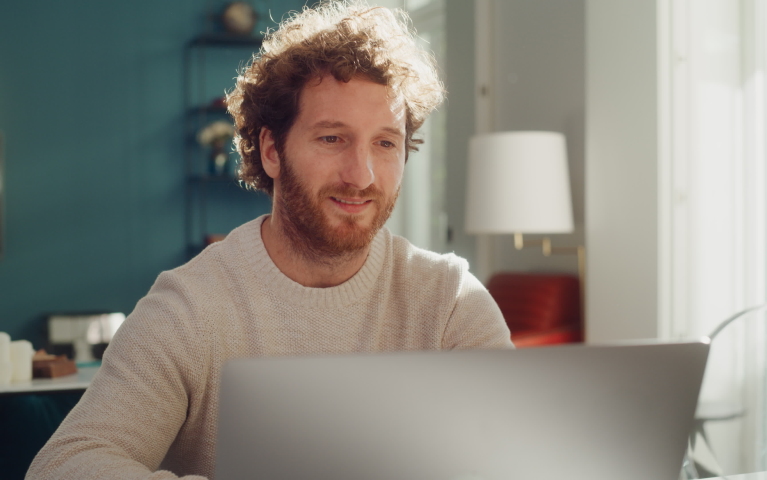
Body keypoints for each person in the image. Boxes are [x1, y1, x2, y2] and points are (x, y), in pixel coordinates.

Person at [26, 2, 512, 479]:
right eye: (332, 138)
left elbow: (515, 456)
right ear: (272, 150)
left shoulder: (450, 300)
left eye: (385, 143)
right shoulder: (190, 307)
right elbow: (65, 464)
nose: (362, 175)